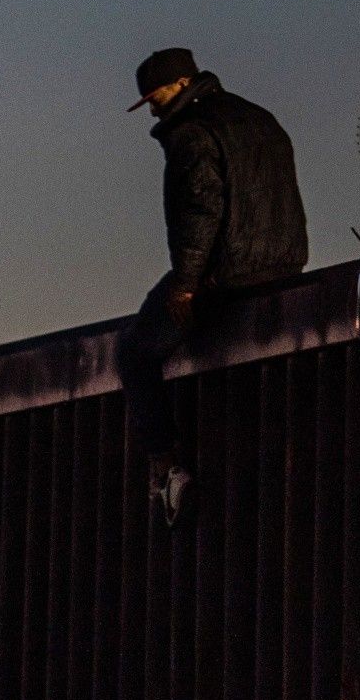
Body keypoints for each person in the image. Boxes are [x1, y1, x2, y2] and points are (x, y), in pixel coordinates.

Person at [115, 47, 310, 527]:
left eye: (155, 96)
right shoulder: (258, 117)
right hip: (284, 263)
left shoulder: (191, 134)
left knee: (135, 352)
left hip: (228, 271)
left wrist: (185, 285)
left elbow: (201, 213)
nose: (153, 107)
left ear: (181, 84)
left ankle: (165, 467)